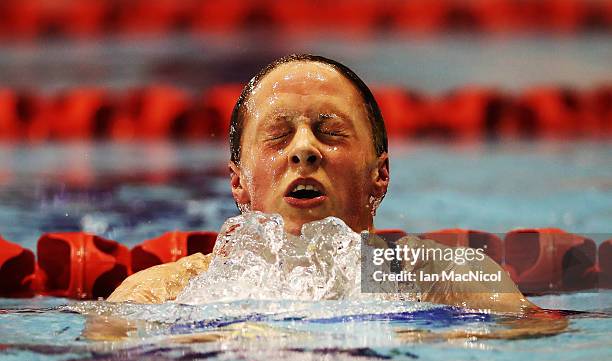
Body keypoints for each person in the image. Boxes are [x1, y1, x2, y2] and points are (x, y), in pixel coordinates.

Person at [107, 54, 538, 314]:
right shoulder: (165, 292)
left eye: (330, 132)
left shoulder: (444, 279)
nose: (304, 150)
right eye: (278, 135)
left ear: (380, 176)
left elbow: (535, 341)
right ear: (239, 184)